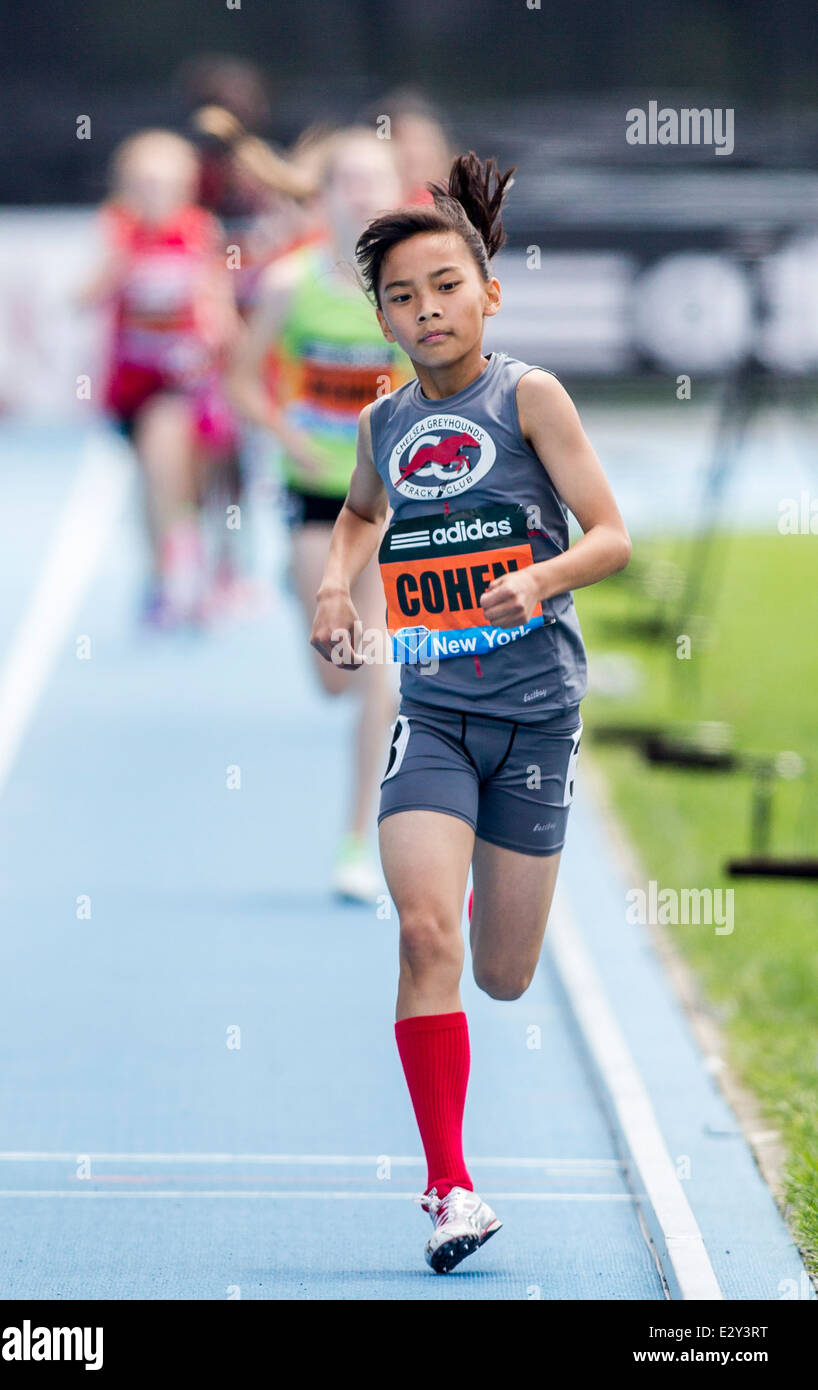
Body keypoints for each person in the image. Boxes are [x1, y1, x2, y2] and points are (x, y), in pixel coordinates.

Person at [310, 152, 632, 1272]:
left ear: (486, 293)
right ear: (383, 318)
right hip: (435, 714)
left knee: (501, 971)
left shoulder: (528, 396)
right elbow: (356, 520)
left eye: (444, 285)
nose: (425, 308)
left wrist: (537, 581)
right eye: (401, 295)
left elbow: (610, 534)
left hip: (535, 720)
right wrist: (330, 585)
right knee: (421, 931)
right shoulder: (382, 422)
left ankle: (453, 1154)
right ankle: (448, 1187)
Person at [231, 127, 414, 903]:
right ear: (326, 194)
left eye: (379, 181)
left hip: (394, 500)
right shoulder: (288, 285)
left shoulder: (416, 289)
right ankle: (292, 580)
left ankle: (357, 840)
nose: (364, 194)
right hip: (318, 500)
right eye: (350, 181)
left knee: (382, 670)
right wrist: (287, 436)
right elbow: (241, 380)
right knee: (336, 679)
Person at [80, 129, 241, 628]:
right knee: (153, 478)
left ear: (186, 186)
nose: (154, 194)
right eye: (143, 183)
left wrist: (216, 333)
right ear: (126, 185)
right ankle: (161, 572)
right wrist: (119, 265)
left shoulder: (199, 231)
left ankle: (192, 567)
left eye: (164, 183)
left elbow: (219, 307)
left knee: (174, 463)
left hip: (184, 382)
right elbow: (81, 298)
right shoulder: (115, 231)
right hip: (130, 383)